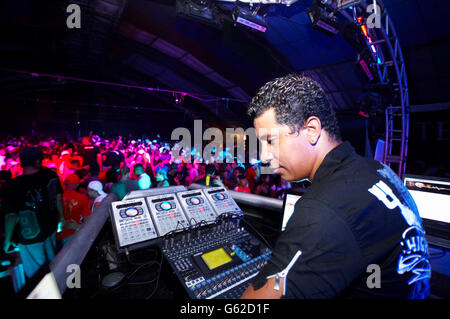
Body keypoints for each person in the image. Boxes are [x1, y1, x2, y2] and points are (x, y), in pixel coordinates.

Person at [241, 74, 430, 299]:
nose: (263, 156)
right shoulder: (377, 171)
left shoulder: (324, 209)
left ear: (311, 130)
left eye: (270, 141)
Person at [2, 147, 64, 285]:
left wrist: (7, 240)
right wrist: (62, 218)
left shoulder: (12, 185)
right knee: (52, 261)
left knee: (37, 273)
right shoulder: (50, 175)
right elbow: (59, 198)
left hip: (29, 235)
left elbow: (11, 216)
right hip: (50, 227)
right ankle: (59, 284)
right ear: (37, 162)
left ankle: (46, 290)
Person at [57, 174, 91, 247]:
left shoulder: (56, 197)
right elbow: (86, 218)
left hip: (56, 235)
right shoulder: (82, 197)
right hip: (72, 234)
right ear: (77, 184)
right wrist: (79, 226)